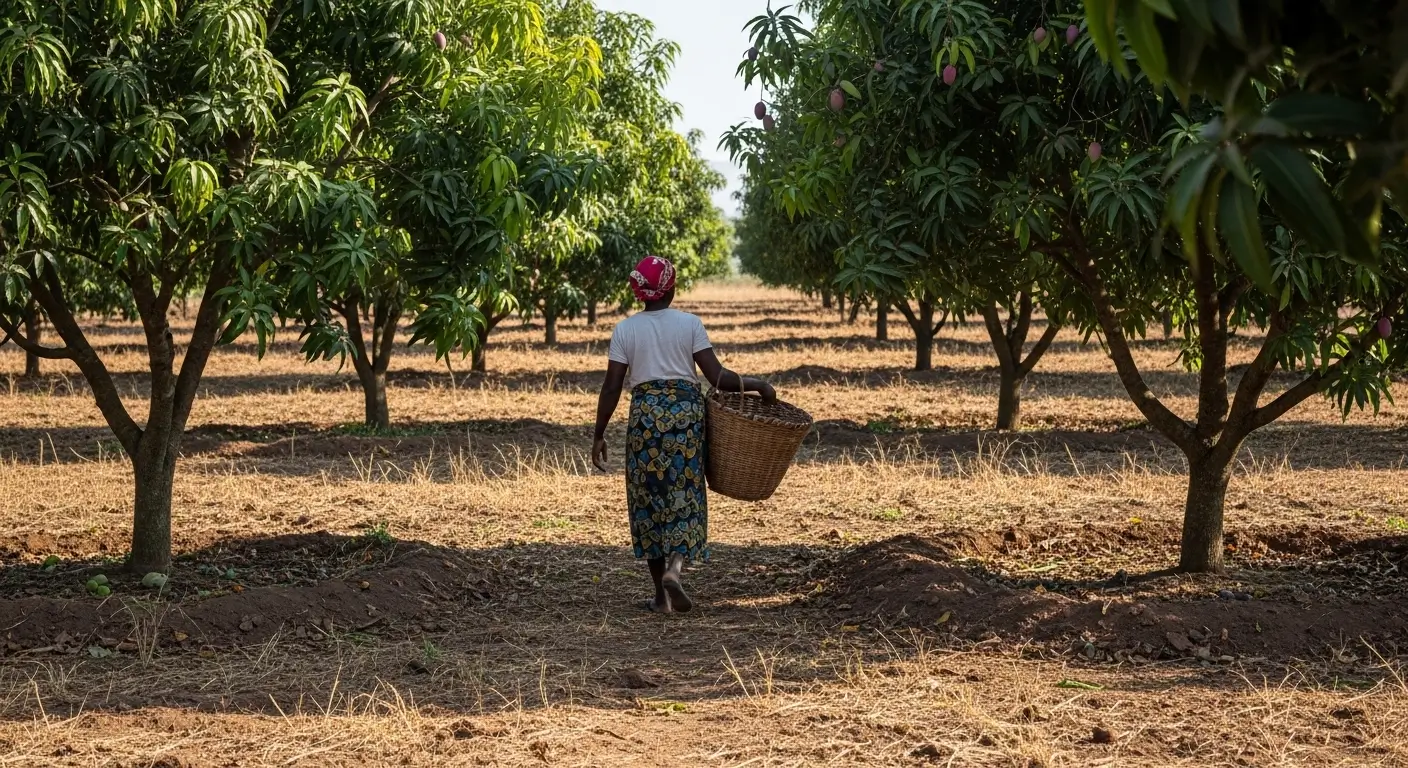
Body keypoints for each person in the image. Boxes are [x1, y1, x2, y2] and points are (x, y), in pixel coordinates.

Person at [592, 256, 776, 614]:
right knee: (685, 493)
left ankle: (661, 598)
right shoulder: (689, 324)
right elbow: (717, 376)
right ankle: (675, 570)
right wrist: (759, 386)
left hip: (645, 420)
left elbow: (612, 385)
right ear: (672, 290)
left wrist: (599, 434)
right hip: (685, 420)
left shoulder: (626, 330)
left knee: (648, 500)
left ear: (639, 294)